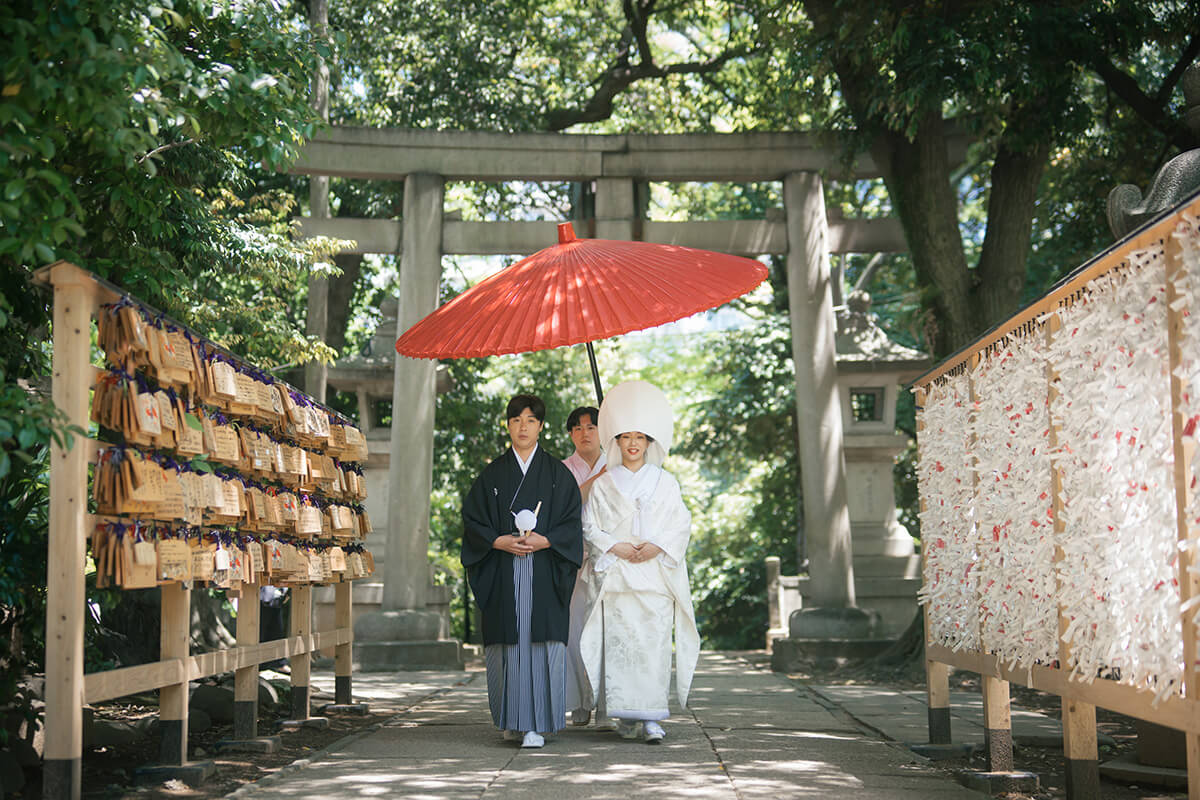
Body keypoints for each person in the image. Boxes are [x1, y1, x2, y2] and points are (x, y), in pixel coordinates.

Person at [579, 380, 700, 744]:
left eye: (640, 437)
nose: (632, 443)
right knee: (621, 649)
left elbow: (681, 524)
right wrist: (615, 546)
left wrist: (657, 546)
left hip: (653, 577)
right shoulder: (603, 484)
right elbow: (589, 525)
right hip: (617, 578)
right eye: (626, 436)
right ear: (616, 441)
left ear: (649, 442)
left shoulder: (666, 482)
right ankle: (624, 714)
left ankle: (651, 717)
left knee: (652, 647)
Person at [461, 394, 583, 748]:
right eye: (516, 420)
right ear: (508, 426)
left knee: (541, 642)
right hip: (504, 570)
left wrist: (548, 540)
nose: (523, 427)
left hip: (545, 570)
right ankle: (511, 720)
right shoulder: (493, 474)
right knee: (509, 644)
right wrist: (497, 541)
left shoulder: (558, 474)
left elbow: (572, 523)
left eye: (530, 420)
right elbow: (472, 520)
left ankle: (536, 724)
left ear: (541, 426)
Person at [560, 406, 614, 729]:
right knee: (575, 631)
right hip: (575, 560)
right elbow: (566, 505)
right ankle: (581, 700)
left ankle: (607, 703)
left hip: (610, 558)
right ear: (570, 434)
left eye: (591, 427)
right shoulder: (561, 470)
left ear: (602, 431)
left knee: (609, 632)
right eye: (577, 428)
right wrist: (599, 478)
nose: (584, 433)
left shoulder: (618, 464)